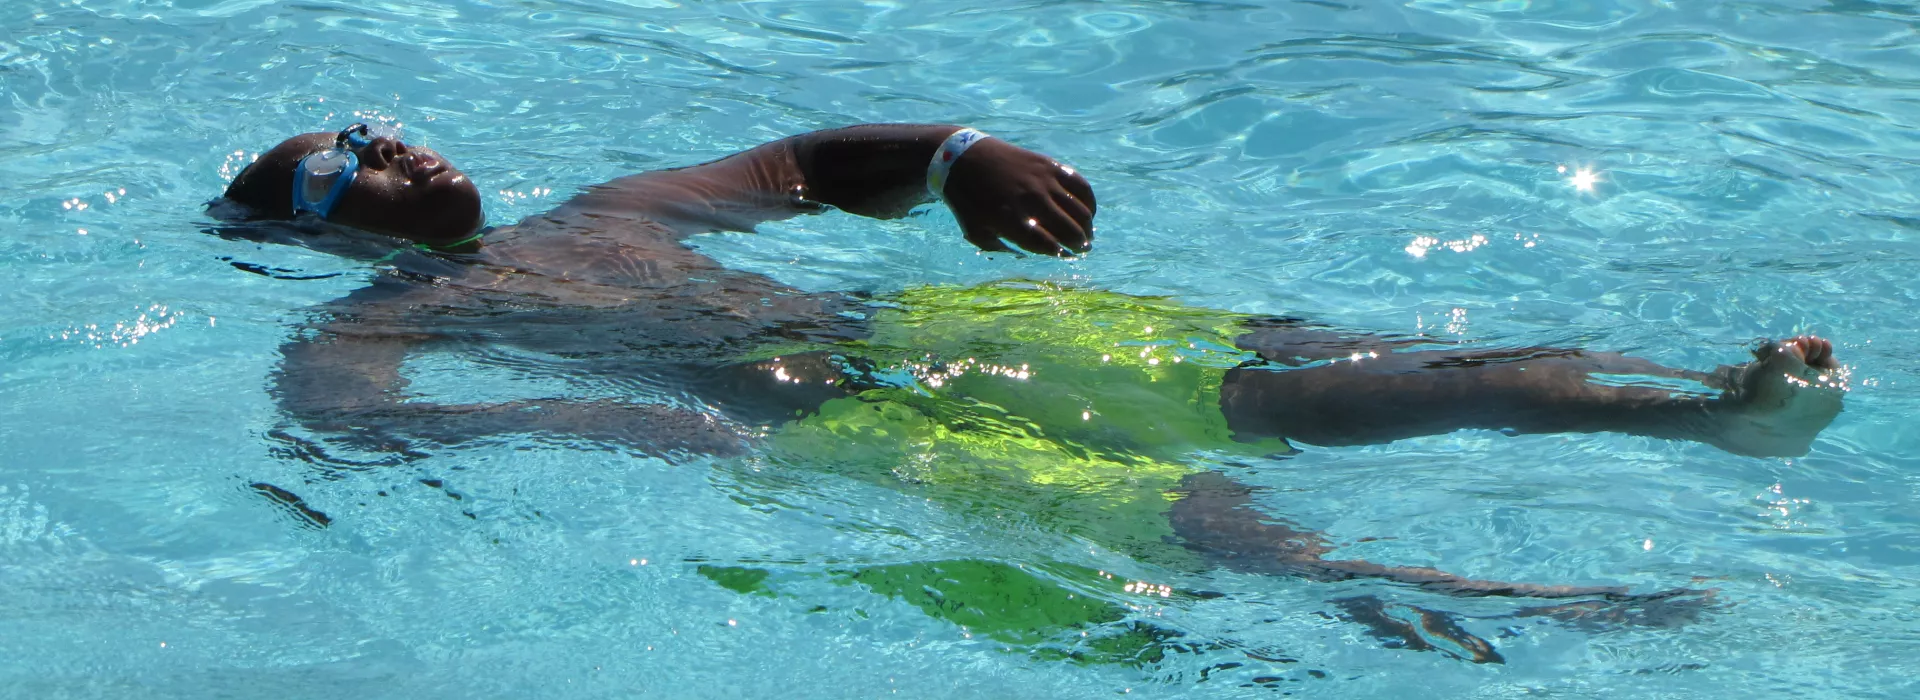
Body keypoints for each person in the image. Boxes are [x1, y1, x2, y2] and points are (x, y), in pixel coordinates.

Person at [214, 121, 1847, 662]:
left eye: (367, 122)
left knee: (1362, 374)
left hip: (937, 326)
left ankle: (1712, 414)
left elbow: (799, 163)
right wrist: (589, 421)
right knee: (1204, 528)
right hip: (856, 420)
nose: (381, 149)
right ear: (295, 236)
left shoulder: (611, 214)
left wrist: (953, 157)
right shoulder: (360, 318)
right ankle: (1484, 606)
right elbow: (345, 421)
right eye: (330, 170)